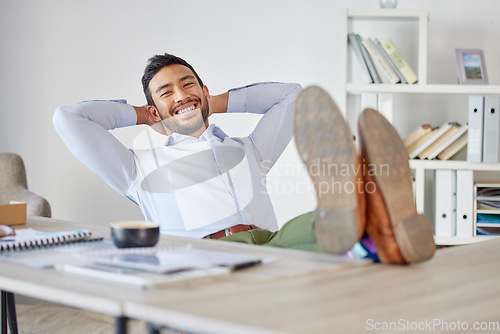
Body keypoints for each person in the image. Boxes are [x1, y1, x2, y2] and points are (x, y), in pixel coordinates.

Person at [53, 53, 436, 264]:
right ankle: (374, 225)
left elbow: (295, 97)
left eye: (188, 84)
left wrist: (208, 102)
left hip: (270, 243)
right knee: (332, 240)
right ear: (154, 109)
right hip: (205, 257)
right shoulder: (137, 168)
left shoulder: (247, 149)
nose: (180, 93)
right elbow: (69, 119)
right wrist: (146, 114)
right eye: (165, 92)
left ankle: (379, 224)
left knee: (324, 226)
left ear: (204, 90)